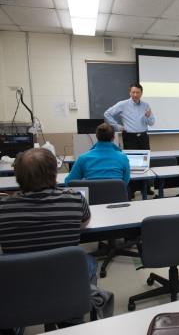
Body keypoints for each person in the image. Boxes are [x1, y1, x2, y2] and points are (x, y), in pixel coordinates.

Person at [0, 148, 95, 282]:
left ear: (17, 175)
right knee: (89, 261)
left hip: (20, 283)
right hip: (65, 279)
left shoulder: (4, 208)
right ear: (54, 173)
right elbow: (84, 223)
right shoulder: (75, 199)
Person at [65, 123, 130, 185]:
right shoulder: (123, 157)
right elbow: (125, 182)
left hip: (92, 196)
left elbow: (69, 182)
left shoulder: (83, 158)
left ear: (96, 136)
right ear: (113, 137)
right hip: (117, 196)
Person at [104, 82, 155, 150]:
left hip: (143, 137)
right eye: (133, 92)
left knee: (145, 159)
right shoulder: (122, 104)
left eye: (138, 92)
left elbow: (151, 123)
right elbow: (107, 114)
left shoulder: (145, 105)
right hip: (129, 137)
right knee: (131, 159)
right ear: (130, 93)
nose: (135, 94)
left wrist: (149, 116)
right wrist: (117, 126)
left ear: (141, 93)